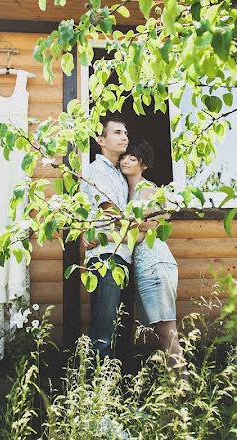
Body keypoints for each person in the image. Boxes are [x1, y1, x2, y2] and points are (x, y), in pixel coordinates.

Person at [119, 139, 184, 367]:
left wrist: (118, 227)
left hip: (154, 263)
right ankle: (178, 385)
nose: (125, 160)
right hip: (148, 266)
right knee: (161, 331)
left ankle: (183, 389)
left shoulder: (146, 188)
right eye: (124, 156)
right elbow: (139, 224)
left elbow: (147, 225)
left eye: (132, 158)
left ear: (143, 165)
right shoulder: (128, 191)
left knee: (166, 331)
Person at [81, 116, 131, 359]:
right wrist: (138, 222)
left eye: (126, 133)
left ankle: (109, 384)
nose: (125, 137)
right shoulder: (98, 169)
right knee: (104, 330)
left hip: (119, 253)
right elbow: (110, 210)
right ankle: (95, 388)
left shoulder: (118, 174)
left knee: (115, 325)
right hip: (106, 257)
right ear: (101, 140)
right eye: (118, 132)